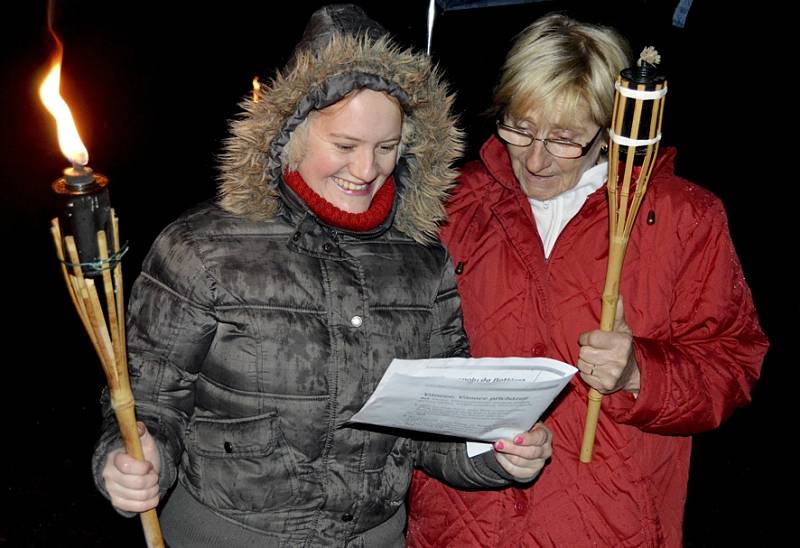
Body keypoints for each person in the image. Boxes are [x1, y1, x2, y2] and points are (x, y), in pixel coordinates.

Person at [90, 5, 552, 547]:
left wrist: (497, 453)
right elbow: (150, 402)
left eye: (386, 148)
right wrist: (131, 460)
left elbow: (435, 427)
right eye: (345, 146)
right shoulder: (203, 247)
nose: (366, 170)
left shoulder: (422, 262)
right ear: (292, 133)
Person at [407, 13, 768, 548]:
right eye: (520, 127)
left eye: (564, 139)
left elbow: (734, 363)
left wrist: (639, 373)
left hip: (606, 527)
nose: (534, 158)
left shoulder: (682, 216)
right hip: (462, 525)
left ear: (608, 129)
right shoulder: (450, 205)